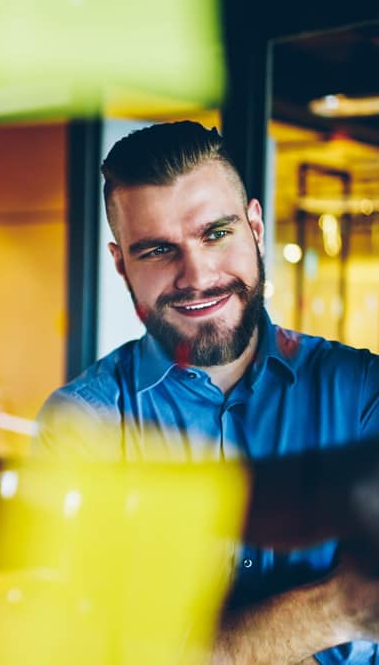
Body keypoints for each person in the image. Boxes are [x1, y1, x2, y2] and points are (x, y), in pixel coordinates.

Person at [35, 121, 379, 664]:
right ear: (121, 262)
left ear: (256, 228)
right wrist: (334, 609)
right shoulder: (84, 423)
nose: (197, 276)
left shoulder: (362, 393)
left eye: (215, 234)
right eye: (157, 251)